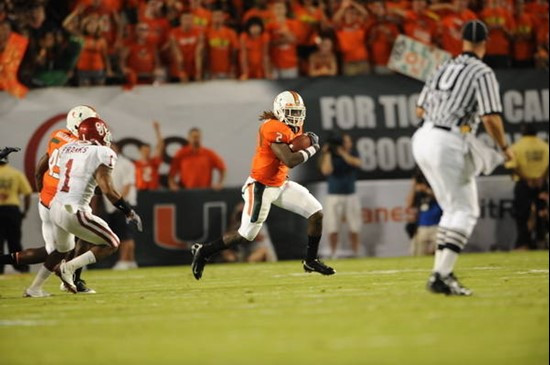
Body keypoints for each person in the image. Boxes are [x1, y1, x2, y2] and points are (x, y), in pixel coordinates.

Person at [413, 20, 513, 296]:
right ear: (485, 42)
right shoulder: (482, 72)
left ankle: (442, 273)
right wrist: (505, 148)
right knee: (466, 210)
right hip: (448, 139)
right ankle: (441, 275)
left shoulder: (443, 66)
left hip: (423, 137)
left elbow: (419, 110)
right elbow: (491, 116)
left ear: (462, 41)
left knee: (452, 209)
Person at [190, 90, 335, 280]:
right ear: (280, 111)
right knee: (246, 235)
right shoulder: (271, 127)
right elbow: (290, 159)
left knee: (316, 213)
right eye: (292, 112)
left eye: (299, 112)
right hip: (261, 187)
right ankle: (205, 251)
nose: (297, 117)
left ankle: (311, 260)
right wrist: (313, 148)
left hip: (281, 184)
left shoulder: (292, 127)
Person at [26, 117, 142, 295]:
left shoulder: (67, 147)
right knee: (112, 243)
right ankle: (69, 269)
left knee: (61, 250)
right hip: (74, 210)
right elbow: (108, 190)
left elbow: (68, 176)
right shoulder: (102, 152)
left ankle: (34, 288)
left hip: (55, 206)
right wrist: (127, 211)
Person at [20, 105, 99, 297]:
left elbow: (41, 166)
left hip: (47, 199)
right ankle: (71, 280)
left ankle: (63, 280)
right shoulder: (81, 147)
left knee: (57, 250)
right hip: (64, 200)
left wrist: (42, 192)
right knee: (74, 243)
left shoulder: (58, 135)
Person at [505, 124, 549, 250]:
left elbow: (511, 166)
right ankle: (542, 242)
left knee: (522, 215)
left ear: (522, 133)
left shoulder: (516, 147)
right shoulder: (545, 146)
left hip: (523, 185)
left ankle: (524, 244)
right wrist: (542, 177)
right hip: (542, 185)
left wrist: (527, 179)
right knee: (542, 214)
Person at [319, 132, 362, 258]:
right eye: (347, 141)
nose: (350, 144)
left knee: (355, 226)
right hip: (333, 196)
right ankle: (333, 253)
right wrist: (327, 153)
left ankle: (356, 252)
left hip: (350, 195)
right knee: (332, 227)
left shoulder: (352, 153)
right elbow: (326, 170)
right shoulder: (329, 156)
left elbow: (357, 163)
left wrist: (342, 153)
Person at [103, 142, 138, 270]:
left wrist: (119, 203)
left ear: (117, 148)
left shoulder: (126, 164)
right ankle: (131, 261)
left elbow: (127, 186)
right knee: (120, 233)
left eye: (111, 147)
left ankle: (124, 260)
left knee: (125, 234)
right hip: (110, 205)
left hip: (124, 203)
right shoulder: (104, 165)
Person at [0, 150, 32, 274]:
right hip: (12, 210)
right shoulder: (15, 174)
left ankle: (0, 269)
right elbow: (27, 193)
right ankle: (21, 267)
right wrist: (25, 211)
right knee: (15, 241)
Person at [405, 169, 442, 256]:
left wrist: (427, 190)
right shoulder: (418, 193)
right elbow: (408, 204)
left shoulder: (437, 186)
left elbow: (442, 198)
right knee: (418, 255)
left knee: (440, 255)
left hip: (438, 227)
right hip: (422, 227)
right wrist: (413, 187)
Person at [135, 121, 164, 191]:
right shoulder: (135, 164)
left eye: (148, 151)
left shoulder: (154, 162)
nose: (146, 153)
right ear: (140, 151)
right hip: (140, 192)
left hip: (153, 192)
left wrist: (157, 130)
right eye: (144, 151)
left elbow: (160, 146)